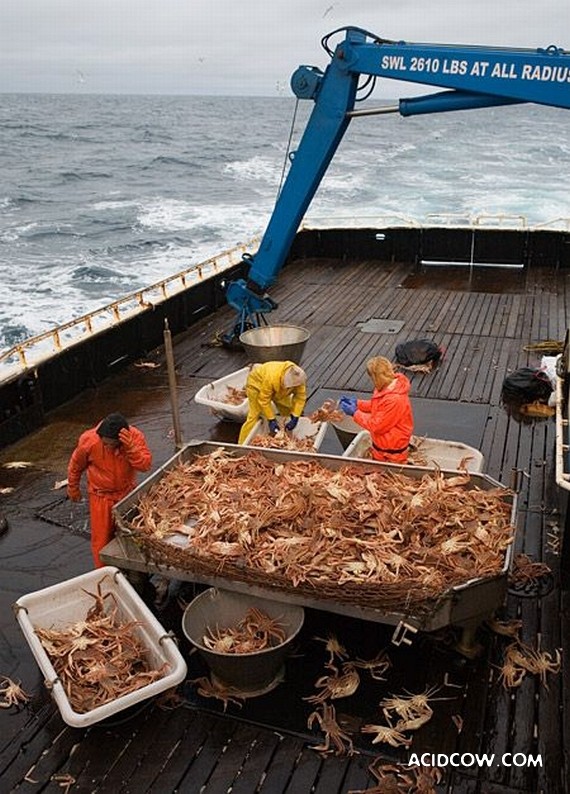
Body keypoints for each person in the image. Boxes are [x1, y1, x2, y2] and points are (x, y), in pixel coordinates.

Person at [67, 412, 152, 567]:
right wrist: (73, 488)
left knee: (135, 536)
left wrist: (131, 449)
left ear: (120, 441)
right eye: (104, 443)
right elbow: (75, 466)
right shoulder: (89, 441)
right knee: (101, 540)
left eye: (110, 444)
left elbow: (145, 465)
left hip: (127, 493)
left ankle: (136, 573)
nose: (107, 447)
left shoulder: (135, 437)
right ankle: (103, 575)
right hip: (101, 497)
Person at [339, 356, 413, 463]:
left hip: (392, 452)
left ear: (376, 377)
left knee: (390, 476)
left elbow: (377, 425)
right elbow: (378, 406)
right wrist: (358, 403)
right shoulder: (388, 387)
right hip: (381, 447)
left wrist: (355, 413)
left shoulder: (395, 399)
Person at [238, 361, 307, 444]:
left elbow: (300, 397)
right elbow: (264, 400)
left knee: (287, 409)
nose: (292, 388)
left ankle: (287, 436)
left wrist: (295, 416)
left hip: (279, 390)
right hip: (256, 385)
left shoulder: (298, 378)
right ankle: (242, 443)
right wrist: (271, 419)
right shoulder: (271, 377)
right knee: (254, 415)